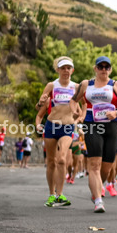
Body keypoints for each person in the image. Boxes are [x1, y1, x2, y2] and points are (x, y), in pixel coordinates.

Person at [72, 56, 117, 213]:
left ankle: (96, 188)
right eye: (100, 66)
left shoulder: (116, 85)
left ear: (110, 69)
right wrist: (77, 113)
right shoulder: (86, 84)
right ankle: (98, 200)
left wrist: (116, 111)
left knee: (106, 167)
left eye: (107, 67)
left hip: (111, 127)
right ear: (95, 68)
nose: (104, 69)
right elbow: (73, 100)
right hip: (92, 125)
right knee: (94, 165)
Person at [33, 56, 80, 207]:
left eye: (68, 68)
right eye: (63, 68)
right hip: (51, 125)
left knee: (62, 159)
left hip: (67, 126)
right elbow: (40, 105)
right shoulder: (51, 85)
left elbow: (84, 105)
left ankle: (60, 194)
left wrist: (79, 118)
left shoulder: (76, 87)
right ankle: (52, 195)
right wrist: (41, 101)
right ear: (58, 70)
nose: (66, 71)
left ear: (72, 70)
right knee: (51, 161)